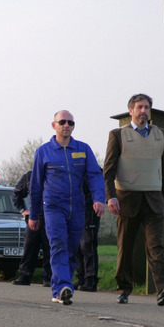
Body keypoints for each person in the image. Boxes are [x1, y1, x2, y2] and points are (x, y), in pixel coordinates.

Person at [102, 93, 164, 306]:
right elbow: (108, 170)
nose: (143, 111)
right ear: (131, 111)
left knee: (156, 246)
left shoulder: (160, 134)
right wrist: (111, 197)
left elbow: (163, 166)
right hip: (127, 199)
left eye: (146, 107)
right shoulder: (118, 135)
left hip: (154, 199)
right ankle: (123, 289)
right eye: (139, 107)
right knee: (126, 247)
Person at [29, 110, 106, 305]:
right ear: (53, 125)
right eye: (62, 121)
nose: (66, 125)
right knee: (58, 245)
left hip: (77, 207)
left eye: (70, 122)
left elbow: (95, 176)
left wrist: (98, 198)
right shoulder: (43, 151)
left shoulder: (83, 149)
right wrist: (34, 214)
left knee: (72, 249)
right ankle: (64, 286)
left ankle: (59, 291)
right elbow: (36, 185)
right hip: (53, 206)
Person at [11, 170, 51, 286]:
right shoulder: (29, 176)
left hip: (50, 215)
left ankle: (48, 277)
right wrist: (23, 210)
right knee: (29, 246)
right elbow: (17, 194)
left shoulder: (54, 175)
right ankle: (24, 276)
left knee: (49, 247)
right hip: (34, 216)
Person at [74, 181, 101, 292]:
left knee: (87, 244)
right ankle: (81, 277)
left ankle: (91, 279)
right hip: (77, 207)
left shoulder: (93, 169)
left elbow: (98, 186)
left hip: (90, 208)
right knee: (77, 245)